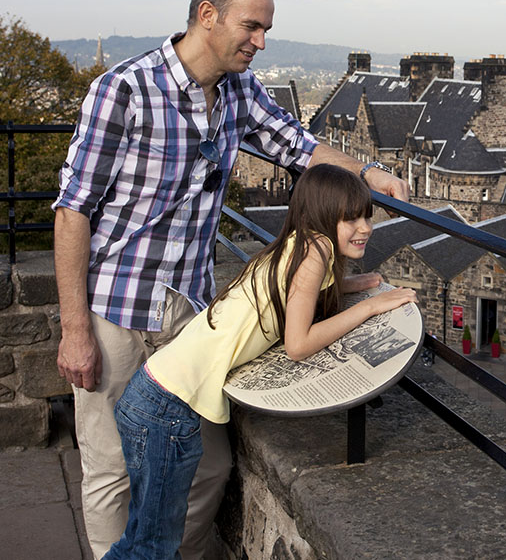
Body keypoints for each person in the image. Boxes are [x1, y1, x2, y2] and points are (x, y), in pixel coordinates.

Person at [53, 0, 409, 559]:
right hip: (115, 307)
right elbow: (72, 212)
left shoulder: (240, 92)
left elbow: (295, 145)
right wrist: (73, 329)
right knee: (112, 469)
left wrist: (366, 174)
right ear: (207, 15)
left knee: (208, 469)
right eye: (252, 26)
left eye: (267, 29)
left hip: (190, 311)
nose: (261, 42)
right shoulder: (124, 90)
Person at [102, 164, 417, 558]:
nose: (365, 227)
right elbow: (298, 344)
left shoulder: (298, 246)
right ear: (321, 216)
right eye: (350, 217)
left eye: (367, 215)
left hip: (152, 395)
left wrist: (351, 285)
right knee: (152, 548)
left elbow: (298, 295)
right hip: (165, 410)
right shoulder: (315, 252)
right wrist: (369, 308)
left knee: (140, 539)